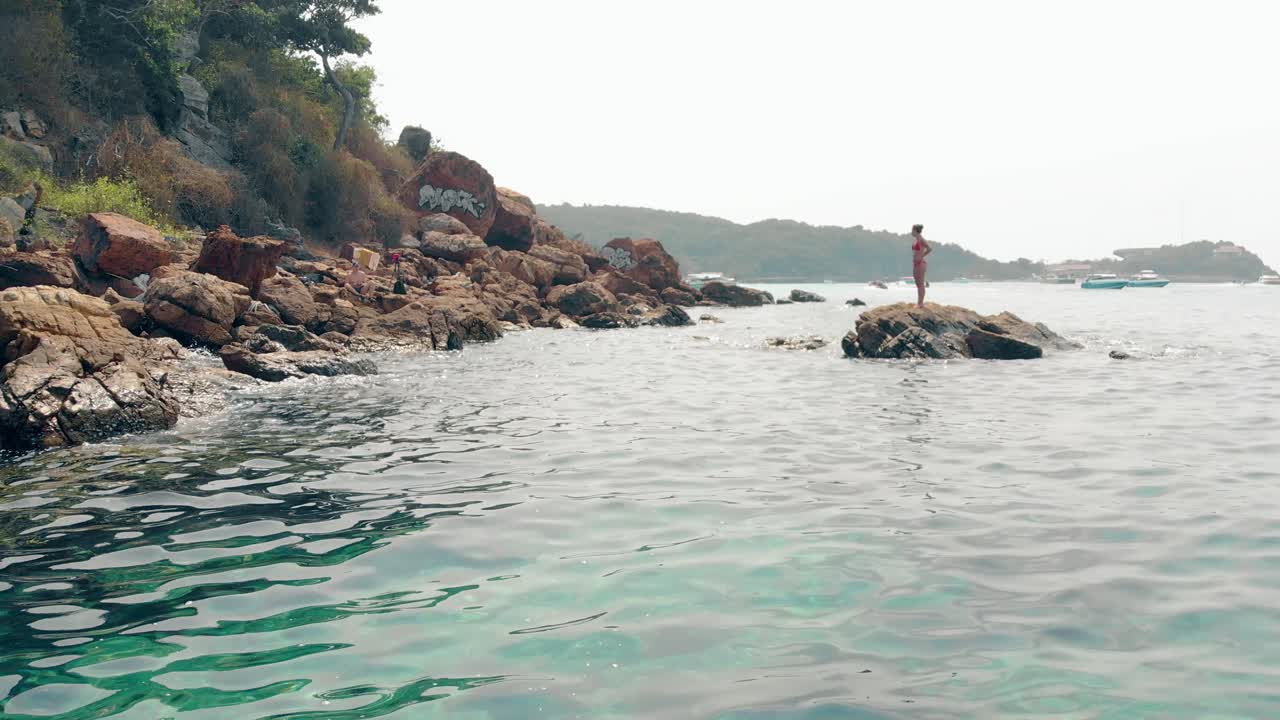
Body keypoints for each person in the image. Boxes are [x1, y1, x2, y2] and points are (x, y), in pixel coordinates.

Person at [911, 223, 932, 307]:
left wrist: (922, 256)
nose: (911, 232)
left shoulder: (921, 239)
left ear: (915, 231)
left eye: (912, 230)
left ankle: (920, 303)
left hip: (920, 263)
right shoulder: (916, 240)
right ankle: (919, 302)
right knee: (917, 283)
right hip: (916, 263)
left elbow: (929, 248)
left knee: (920, 284)